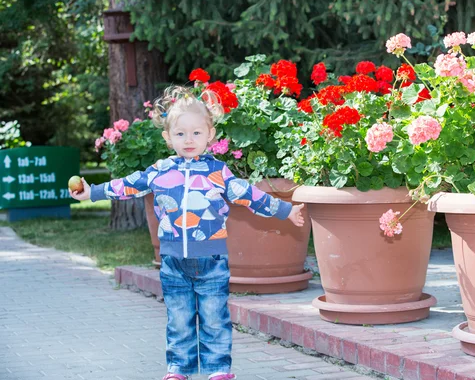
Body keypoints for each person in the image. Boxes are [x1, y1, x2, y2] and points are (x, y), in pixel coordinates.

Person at [70, 86, 305, 380]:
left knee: (214, 318)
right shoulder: (159, 171)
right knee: (179, 319)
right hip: (172, 262)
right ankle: (178, 369)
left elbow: (249, 195)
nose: (189, 140)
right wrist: (93, 192)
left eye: (196, 133)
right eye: (180, 134)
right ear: (168, 138)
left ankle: (219, 369)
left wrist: (285, 211)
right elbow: (128, 185)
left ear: (210, 135)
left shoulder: (218, 172)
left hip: (212, 261)